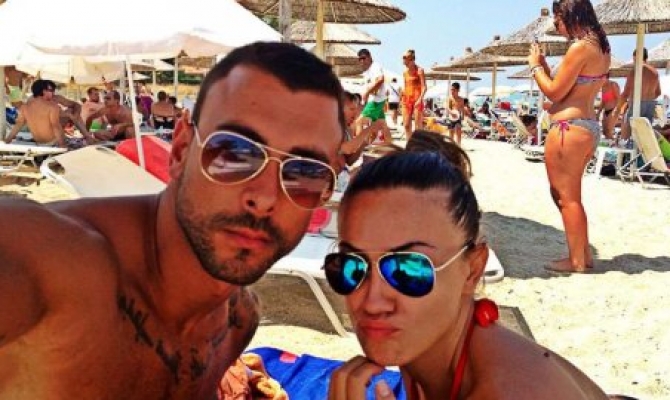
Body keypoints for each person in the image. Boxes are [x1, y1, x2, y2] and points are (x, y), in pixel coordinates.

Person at [0, 42, 344, 399]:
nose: (265, 197)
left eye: (305, 172)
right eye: (234, 153)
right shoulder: (46, 263)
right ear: (180, 149)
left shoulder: (237, 321)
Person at [325, 131, 608, 399]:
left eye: (408, 270)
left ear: (473, 269)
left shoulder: (505, 390)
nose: (373, 303)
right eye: (351, 267)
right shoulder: (423, 347)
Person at [529, 0, 610, 273]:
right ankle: (582, 255)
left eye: (558, 20)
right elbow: (568, 90)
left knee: (567, 198)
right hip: (585, 126)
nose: (556, 26)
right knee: (568, 196)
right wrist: (544, 67)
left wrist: (534, 68)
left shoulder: (580, 47)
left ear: (571, 15)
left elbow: (553, 92)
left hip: (569, 129)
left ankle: (576, 261)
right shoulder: (600, 46)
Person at [3, 79, 95, 147]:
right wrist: (63, 146)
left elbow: (19, 124)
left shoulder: (26, 106)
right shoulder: (51, 106)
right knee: (65, 116)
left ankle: (87, 136)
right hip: (53, 139)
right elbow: (55, 126)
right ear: (43, 91)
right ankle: (88, 138)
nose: (53, 93)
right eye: (51, 90)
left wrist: (7, 141)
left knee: (71, 112)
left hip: (40, 141)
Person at [615, 47, 662, 141]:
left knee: (627, 134)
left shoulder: (635, 71)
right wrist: (647, 97)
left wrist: (617, 109)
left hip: (636, 104)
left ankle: (626, 148)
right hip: (650, 105)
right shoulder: (655, 72)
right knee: (644, 136)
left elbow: (625, 93)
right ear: (646, 57)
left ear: (635, 57)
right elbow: (658, 92)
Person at [356, 48, 392, 144]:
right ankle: (389, 145)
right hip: (377, 100)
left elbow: (380, 79)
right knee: (382, 125)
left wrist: (368, 92)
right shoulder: (368, 71)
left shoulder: (375, 67)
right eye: (360, 59)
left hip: (376, 100)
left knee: (359, 122)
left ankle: (358, 146)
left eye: (364, 58)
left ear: (369, 57)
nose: (362, 61)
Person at [401, 50, 427, 139]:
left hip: (417, 99)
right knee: (406, 125)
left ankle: (418, 144)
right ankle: (409, 144)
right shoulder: (405, 73)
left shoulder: (420, 70)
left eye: (404, 57)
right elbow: (405, 86)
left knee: (418, 126)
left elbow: (424, 87)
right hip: (406, 100)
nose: (403, 59)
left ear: (411, 59)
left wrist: (420, 99)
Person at [597, 75, 620, 140]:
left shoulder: (613, 84)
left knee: (609, 131)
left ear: (606, 77)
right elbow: (603, 101)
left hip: (613, 110)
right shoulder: (603, 87)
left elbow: (619, 99)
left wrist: (616, 110)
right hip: (606, 111)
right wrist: (598, 113)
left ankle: (613, 143)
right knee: (604, 131)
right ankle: (609, 144)